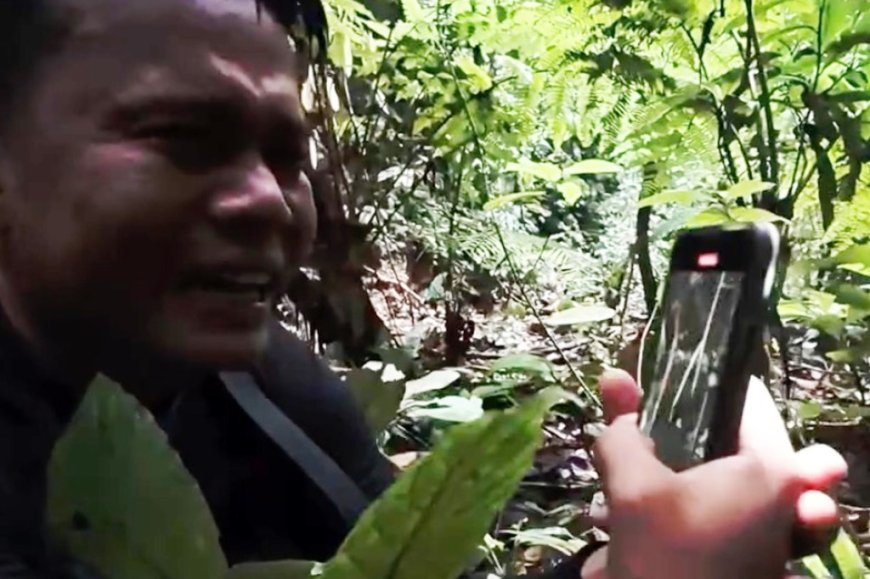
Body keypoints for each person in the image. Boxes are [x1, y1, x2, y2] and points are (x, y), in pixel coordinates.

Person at [0, 0, 847, 577]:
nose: (270, 200)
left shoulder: (269, 390)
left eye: (287, 156)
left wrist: (617, 566)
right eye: (181, 136)